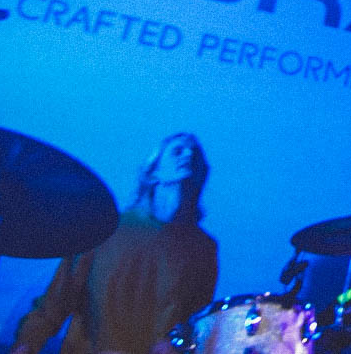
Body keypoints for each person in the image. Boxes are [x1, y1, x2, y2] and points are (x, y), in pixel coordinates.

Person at [13, 133, 219, 354]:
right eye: (178, 150)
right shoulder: (104, 228)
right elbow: (55, 302)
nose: (188, 155)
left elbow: (196, 322)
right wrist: (26, 343)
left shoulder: (203, 249)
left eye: (195, 155)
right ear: (152, 173)